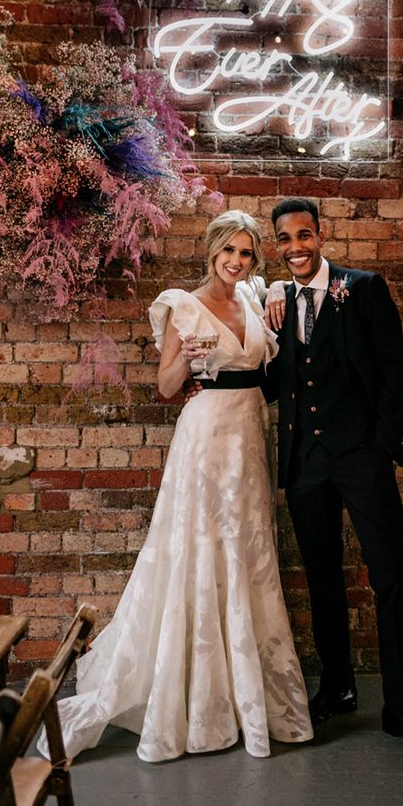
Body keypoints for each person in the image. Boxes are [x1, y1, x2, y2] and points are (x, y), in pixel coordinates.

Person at [40, 210, 313, 764]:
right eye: (228, 251)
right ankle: (189, 690)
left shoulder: (257, 300)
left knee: (247, 553)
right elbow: (165, 389)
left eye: (245, 253)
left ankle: (245, 692)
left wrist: (279, 284)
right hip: (204, 435)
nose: (236, 261)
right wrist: (183, 362)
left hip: (249, 437)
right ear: (211, 251)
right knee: (197, 548)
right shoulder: (181, 304)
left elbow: (283, 300)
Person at [265, 196, 403, 763]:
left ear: (321, 235)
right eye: (285, 240)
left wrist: (377, 446)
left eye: (304, 235)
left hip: (360, 459)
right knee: (323, 579)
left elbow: (397, 370)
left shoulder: (363, 287)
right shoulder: (277, 302)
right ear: (277, 247)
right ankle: (338, 686)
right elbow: (275, 384)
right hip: (305, 464)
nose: (295, 247)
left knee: (390, 579)